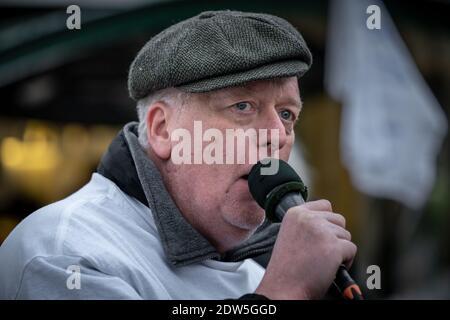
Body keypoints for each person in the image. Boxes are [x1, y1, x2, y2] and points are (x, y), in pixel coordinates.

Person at [0, 10, 356, 299]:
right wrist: (285, 293)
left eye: (286, 114)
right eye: (243, 106)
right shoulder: (68, 254)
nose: (277, 135)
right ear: (161, 129)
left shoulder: (258, 273)